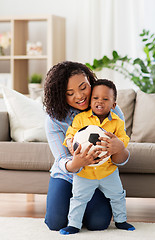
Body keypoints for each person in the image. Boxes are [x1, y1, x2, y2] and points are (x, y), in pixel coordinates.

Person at [43, 61, 130, 231]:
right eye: (70, 93)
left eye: (83, 87)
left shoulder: (110, 109)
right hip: (67, 175)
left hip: (96, 176)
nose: (79, 96)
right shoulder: (53, 119)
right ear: (61, 95)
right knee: (55, 223)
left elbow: (121, 159)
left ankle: (82, 209)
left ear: (91, 82)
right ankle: (72, 207)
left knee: (98, 223)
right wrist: (76, 163)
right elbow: (61, 159)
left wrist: (118, 147)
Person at [60, 79, 135, 235]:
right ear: (90, 100)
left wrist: (119, 144)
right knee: (78, 198)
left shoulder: (117, 122)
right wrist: (70, 143)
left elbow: (124, 139)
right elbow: (70, 134)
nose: (99, 101)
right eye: (95, 98)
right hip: (84, 172)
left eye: (105, 99)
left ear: (113, 105)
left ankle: (121, 220)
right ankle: (73, 224)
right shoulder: (81, 119)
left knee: (118, 196)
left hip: (108, 171)